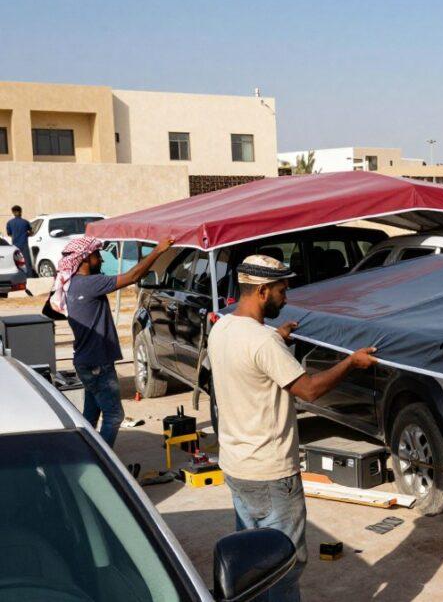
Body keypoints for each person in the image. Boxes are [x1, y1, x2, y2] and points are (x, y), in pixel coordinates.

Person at [209, 254, 377, 602]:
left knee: (253, 562)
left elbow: (251, 359)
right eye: (282, 290)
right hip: (271, 474)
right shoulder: (264, 342)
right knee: (284, 564)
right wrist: (350, 362)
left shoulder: (222, 327)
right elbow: (310, 389)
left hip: (237, 467)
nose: (287, 297)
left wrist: (278, 337)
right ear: (262, 290)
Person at [52, 234, 175, 446]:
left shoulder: (73, 284)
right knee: (114, 416)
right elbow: (133, 276)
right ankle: (103, 465)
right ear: (85, 258)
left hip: (87, 363)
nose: (101, 260)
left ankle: (85, 457)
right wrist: (159, 250)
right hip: (97, 365)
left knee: (90, 417)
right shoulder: (90, 284)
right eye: (97, 255)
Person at [6, 205, 33, 279]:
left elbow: (9, 233)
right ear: (21, 212)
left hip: (15, 245)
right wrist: (26, 234)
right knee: (27, 261)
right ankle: (29, 276)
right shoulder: (25, 222)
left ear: (13, 212)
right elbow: (31, 232)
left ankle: (18, 277)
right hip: (24, 244)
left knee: (16, 262)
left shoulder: (9, 223)